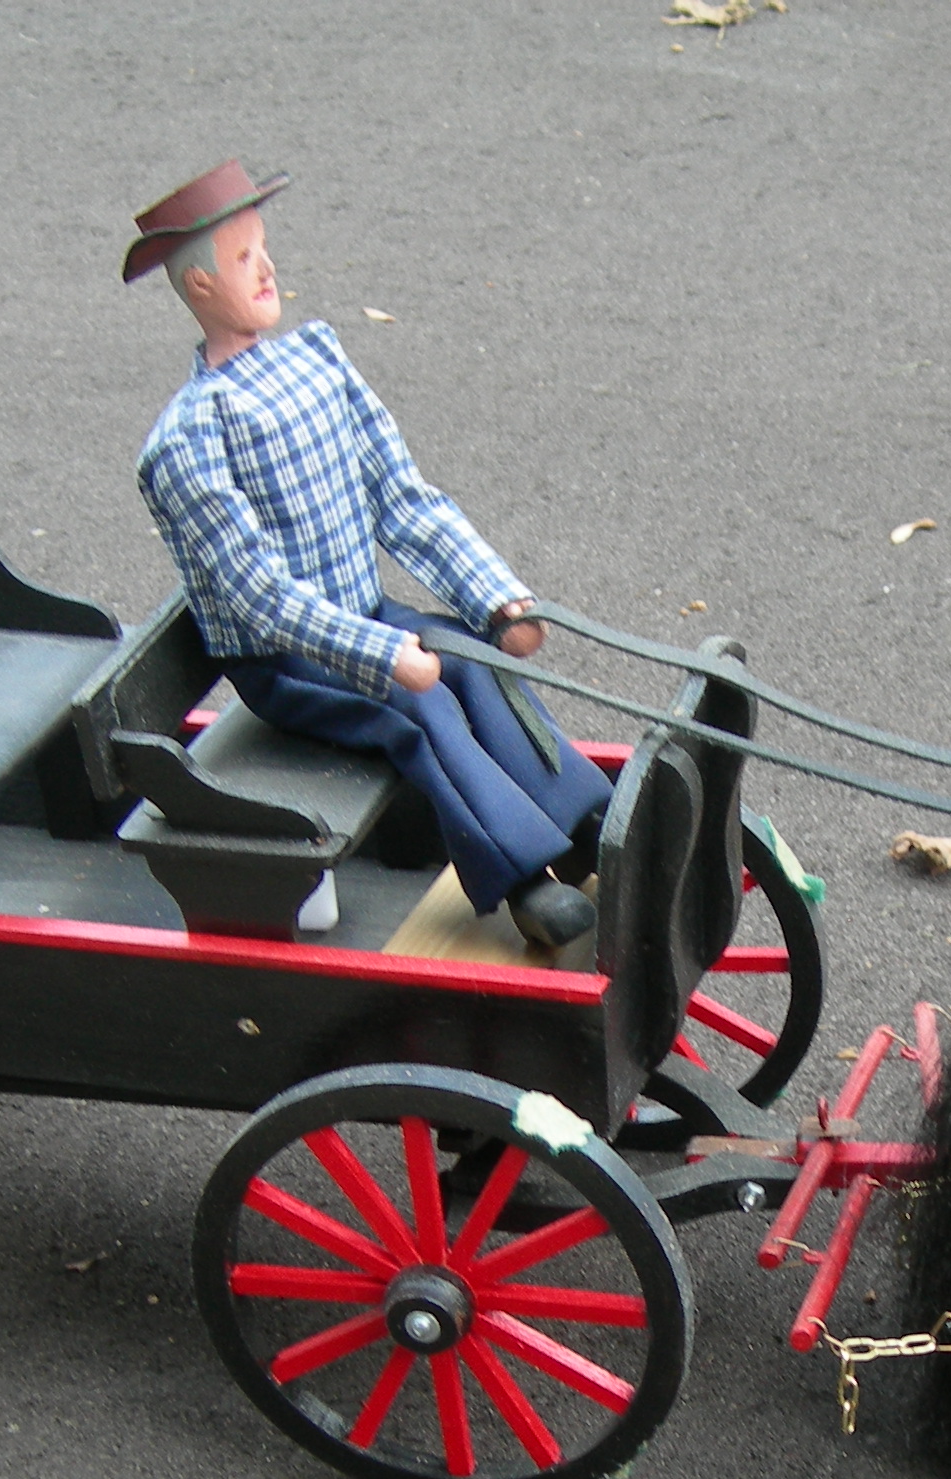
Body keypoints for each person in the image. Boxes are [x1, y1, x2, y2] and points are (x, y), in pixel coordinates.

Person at [126, 161, 609, 948]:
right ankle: (520, 876)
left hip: (364, 611)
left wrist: (496, 599)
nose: (268, 268)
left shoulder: (317, 360)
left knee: (468, 656)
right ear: (201, 287)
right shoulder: (189, 439)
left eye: (263, 248)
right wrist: (382, 653)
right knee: (415, 709)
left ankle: (584, 818)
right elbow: (256, 593)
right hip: (285, 661)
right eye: (245, 259)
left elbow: (400, 495)